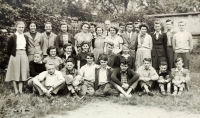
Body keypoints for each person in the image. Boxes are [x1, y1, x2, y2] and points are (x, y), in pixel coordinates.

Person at [5, 21, 30, 95]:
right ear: (16, 27)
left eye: (22, 27)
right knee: (15, 72)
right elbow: (8, 49)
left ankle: (20, 90)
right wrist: (13, 55)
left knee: (22, 72)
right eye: (19, 27)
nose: (21, 29)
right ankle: (16, 90)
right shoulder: (12, 37)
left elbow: (27, 47)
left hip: (24, 54)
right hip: (15, 54)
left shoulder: (25, 36)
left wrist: (24, 54)